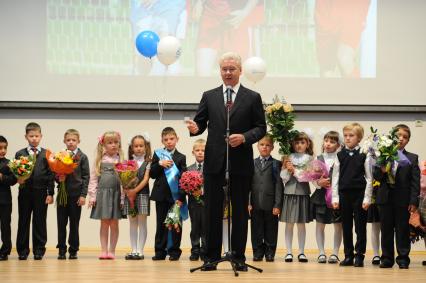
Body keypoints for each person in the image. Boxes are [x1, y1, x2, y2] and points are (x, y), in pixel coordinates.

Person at [186, 51, 266, 271]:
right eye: (224, 69)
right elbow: (200, 123)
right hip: (214, 163)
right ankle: (210, 257)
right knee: (211, 210)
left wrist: (245, 138)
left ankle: (238, 256)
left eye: (232, 69)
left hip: (240, 164)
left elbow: (261, 128)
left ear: (240, 71)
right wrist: (195, 128)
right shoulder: (209, 95)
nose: (228, 72)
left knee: (240, 211)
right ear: (220, 71)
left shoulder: (252, 97)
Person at [373, 124, 420, 269]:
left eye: (405, 137)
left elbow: (415, 181)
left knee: (402, 230)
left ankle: (403, 258)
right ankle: (387, 258)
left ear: (408, 141)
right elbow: (376, 176)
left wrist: (413, 201)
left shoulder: (412, 158)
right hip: (385, 197)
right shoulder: (382, 155)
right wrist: (381, 170)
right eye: (398, 135)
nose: (401, 139)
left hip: (403, 199)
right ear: (392, 137)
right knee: (386, 229)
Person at [332, 122, 373, 267]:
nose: (348, 138)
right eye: (346, 136)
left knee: (360, 226)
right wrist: (335, 198)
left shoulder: (364, 154)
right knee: (346, 226)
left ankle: (359, 255)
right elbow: (335, 178)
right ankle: (348, 255)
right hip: (344, 195)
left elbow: (369, 178)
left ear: (359, 138)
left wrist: (367, 198)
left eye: (351, 135)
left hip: (360, 194)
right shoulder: (340, 155)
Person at [15, 122, 55, 260]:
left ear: (41, 136)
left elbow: (51, 175)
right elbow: (16, 172)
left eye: (36, 136)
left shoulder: (46, 154)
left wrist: (50, 193)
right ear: (26, 136)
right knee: (23, 220)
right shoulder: (20, 153)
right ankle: (22, 250)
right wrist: (18, 178)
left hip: (41, 192)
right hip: (25, 192)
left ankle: (39, 250)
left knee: (39, 221)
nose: (34, 139)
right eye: (31, 136)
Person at [150, 127, 187, 261]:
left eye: (172, 139)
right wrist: (159, 164)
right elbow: (152, 175)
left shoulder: (181, 157)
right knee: (161, 224)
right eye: (166, 140)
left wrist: (181, 197)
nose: (169, 142)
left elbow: (184, 179)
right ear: (162, 141)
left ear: (177, 139)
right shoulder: (158, 154)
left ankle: (174, 252)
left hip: (174, 197)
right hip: (160, 196)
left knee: (175, 224)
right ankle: (160, 251)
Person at [88, 131, 124, 260]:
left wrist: (122, 198)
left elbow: (124, 181)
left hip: (116, 195)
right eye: (110, 142)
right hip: (102, 195)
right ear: (103, 144)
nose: (113, 145)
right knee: (104, 223)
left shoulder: (121, 159)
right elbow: (93, 179)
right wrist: (92, 196)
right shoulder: (99, 160)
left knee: (114, 223)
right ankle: (103, 250)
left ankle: (112, 251)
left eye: (116, 142)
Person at [56, 129, 90, 260]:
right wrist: (58, 177)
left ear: (78, 141)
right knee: (61, 222)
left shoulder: (82, 157)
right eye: (68, 140)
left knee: (74, 224)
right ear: (64, 141)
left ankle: (73, 249)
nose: (71, 142)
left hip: (76, 194)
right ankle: (61, 249)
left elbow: (86, 177)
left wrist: (83, 195)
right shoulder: (60, 156)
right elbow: (55, 173)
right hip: (62, 194)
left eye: (73, 140)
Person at [280, 132, 313, 263]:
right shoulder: (287, 157)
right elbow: (283, 178)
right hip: (289, 193)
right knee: (289, 224)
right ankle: (288, 252)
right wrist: (286, 169)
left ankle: (301, 252)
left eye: (302, 142)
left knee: (301, 224)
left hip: (302, 193)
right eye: (297, 142)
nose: (299, 145)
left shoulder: (310, 159)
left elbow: (309, 177)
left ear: (307, 144)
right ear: (292, 144)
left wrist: (295, 171)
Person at [249, 135, 283, 262]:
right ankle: (257, 252)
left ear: (272, 148)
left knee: (271, 229)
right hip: (255, 202)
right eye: (262, 144)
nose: (265, 147)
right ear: (257, 146)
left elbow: (279, 185)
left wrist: (277, 204)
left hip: (271, 203)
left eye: (267, 145)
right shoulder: (252, 163)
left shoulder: (276, 164)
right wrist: (248, 202)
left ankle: (270, 252)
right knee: (256, 229)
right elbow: (248, 185)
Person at [311, 131, 342, 264]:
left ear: (338, 145)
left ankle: (335, 252)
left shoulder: (341, 158)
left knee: (338, 225)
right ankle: (321, 252)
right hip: (321, 196)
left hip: (337, 196)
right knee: (320, 225)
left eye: (332, 142)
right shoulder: (317, 158)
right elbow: (312, 179)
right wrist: (319, 183)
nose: (328, 144)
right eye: (326, 141)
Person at [123, 134, 152, 260]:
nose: (139, 148)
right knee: (132, 223)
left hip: (142, 194)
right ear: (132, 148)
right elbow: (123, 178)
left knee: (142, 222)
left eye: (141, 146)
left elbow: (146, 179)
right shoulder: (128, 162)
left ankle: (140, 250)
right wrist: (127, 190)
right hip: (129, 195)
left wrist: (135, 190)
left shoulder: (148, 162)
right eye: (136, 146)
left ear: (145, 147)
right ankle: (133, 249)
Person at [187, 138, 207, 261]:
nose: (200, 152)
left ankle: (204, 250)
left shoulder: (210, 168)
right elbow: (184, 185)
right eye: (197, 150)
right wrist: (192, 191)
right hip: (193, 203)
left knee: (205, 227)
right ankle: (195, 250)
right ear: (193, 152)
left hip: (206, 203)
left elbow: (213, 184)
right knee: (195, 227)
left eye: (203, 150)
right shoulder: (189, 169)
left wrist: (202, 191)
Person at [0, 135, 17, 261]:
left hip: (5, 200)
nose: (3, 150)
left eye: (5, 148)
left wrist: (2, 177)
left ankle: (5, 251)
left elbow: (13, 180)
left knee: (5, 225)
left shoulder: (9, 163)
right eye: (0, 148)